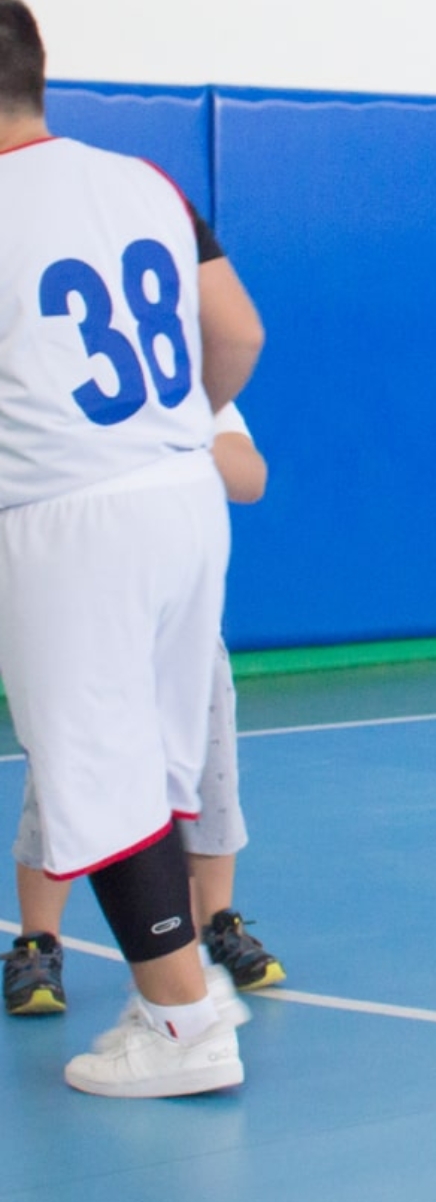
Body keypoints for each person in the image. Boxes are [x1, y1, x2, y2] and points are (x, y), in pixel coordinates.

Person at [0, 0, 265, 1097]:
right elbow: (239, 329)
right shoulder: (143, 181)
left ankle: (182, 1024)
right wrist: (171, 431)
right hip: (182, 497)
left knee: (96, 777)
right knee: (152, 762)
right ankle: (181, 992)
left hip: (67, 516)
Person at [7, 402, 285, 1019]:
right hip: (80, 620)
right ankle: (37, 942)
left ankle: (216, 922)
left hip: (180, 627)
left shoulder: (187, 398)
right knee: (64, 778)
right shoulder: (48, 399)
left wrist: (169, 448)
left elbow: (250, 478)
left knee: (210, 776)